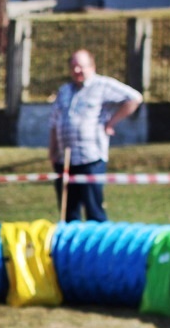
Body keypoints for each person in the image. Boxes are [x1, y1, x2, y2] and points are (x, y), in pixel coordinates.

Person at [49, 49, 142, 222]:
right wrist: (53, 150)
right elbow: (54, 122)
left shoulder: (102, 85)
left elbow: (134, 98)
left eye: (81, 67)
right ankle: (71, 247)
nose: (77, 71)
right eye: (73, 67)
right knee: (68, 213)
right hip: (65, 160)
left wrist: (111, 122)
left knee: (93, 210)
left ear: (92, 66)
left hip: (90, 159)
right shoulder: (64, 90)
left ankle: (100, 246)